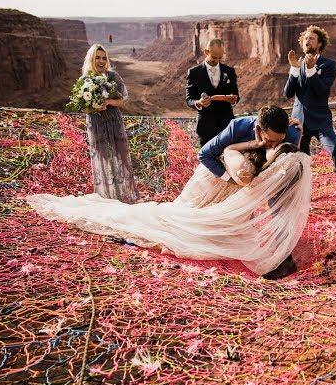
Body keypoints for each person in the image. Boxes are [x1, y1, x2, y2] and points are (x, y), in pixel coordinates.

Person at [25, 138, 311, 279]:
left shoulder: (256, 166)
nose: (272, 146)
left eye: (276, 147)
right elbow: (227, 157)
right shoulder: (257, 159)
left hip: (222, 187)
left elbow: (236, 165)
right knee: (163, 219)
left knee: (175, 221)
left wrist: (255, 149)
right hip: (213, 185)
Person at [198, 105, 303, 279]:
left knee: (280, 206)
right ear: (258, 129)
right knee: (224, 217)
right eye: (269, 141)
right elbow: (204, 155)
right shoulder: (237, 127)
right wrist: (232, 181)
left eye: (279, 140)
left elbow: (286, 163)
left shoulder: (292, 132)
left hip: (269, 173)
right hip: (228, 176)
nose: (274, 145)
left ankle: (285, 262)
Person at [283, 25, 336, 210]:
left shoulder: (329, 65)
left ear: (320, 43)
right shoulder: (297, 64)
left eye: (311, 38)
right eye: (305, 39)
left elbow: (321, 91)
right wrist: (294, 70)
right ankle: (298, 199)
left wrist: (311, 71)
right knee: (299, 162)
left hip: (321, 121)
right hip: (299, 123)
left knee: (335, 150)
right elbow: (288, 93)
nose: (307, 41)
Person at [80, 44, 139, 204]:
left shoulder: (113, 77)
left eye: (103, 58)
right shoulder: (84, 80)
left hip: (114, 122)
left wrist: (109, 101)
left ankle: (125, 196)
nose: (100, 61)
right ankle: (106, 197)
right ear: (91, 59)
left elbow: (122, 100)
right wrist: (94, 107)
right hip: (96, 124)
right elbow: (83, 107)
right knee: (102, 159)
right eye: (97, 58)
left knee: (121, 157)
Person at [185, 39, 240, 147]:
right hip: (206, 127)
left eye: (220, 57)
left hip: (227, 125)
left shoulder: (229, 71)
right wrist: (199, 103)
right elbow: (189, 99)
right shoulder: (194, 72)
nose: (217, 60)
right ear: (206, 52)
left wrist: (234, 99)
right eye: (214, 57)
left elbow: (236, 95)